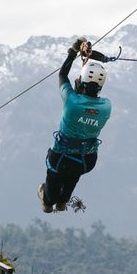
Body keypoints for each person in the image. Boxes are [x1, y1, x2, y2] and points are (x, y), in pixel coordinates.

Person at [37, 37, 113, 212]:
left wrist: (72, 53)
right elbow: (91, 106)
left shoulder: (72, 101)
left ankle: (48, 202)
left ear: (81, 82)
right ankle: (63, 200)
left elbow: (62, 75)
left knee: (54, 176)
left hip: (61, 156)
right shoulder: (107, 106)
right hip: (86, 159)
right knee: (73, 175)